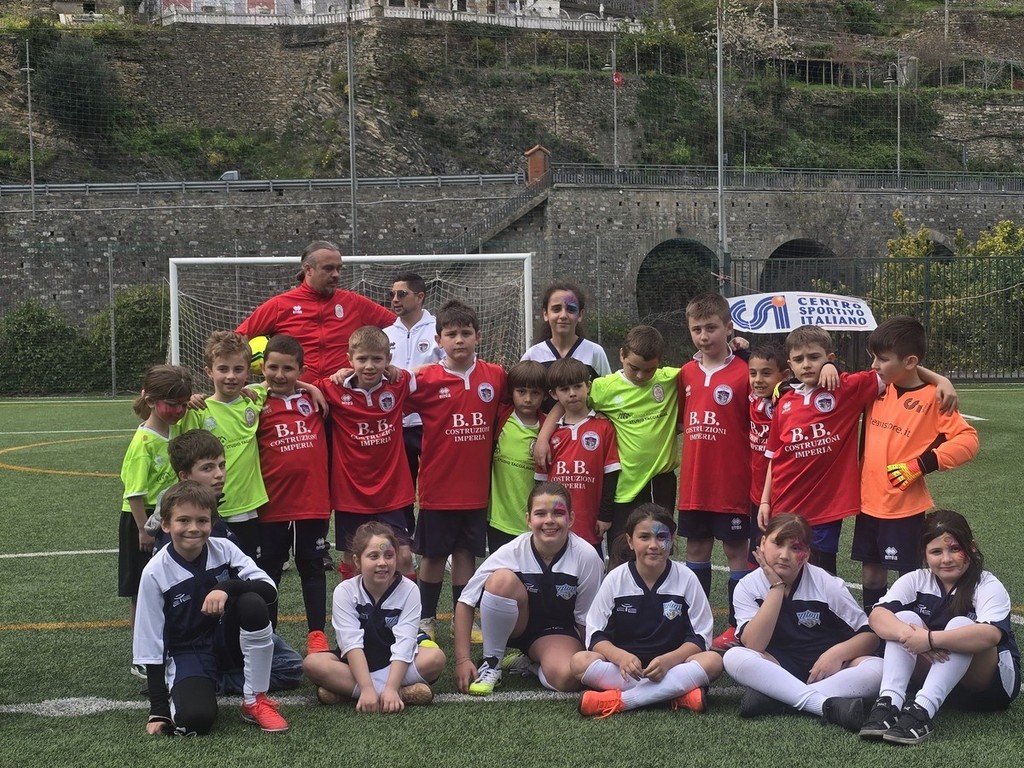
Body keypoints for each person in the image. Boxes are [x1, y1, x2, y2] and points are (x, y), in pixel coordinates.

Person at [760, 324, 957, 574]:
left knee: (822, 573)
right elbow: (774, 457)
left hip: (825, 509)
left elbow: (897, 367)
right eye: (799, 360)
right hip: (784, 501)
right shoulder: (784, 400)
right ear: (790, 365)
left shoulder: (847, 388)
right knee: (782, 569)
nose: (807, 365)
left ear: (830, 358)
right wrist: (765, 500)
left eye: (814, 357)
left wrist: (941, 379)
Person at [133, 481, 288, 735]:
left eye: (202, 521)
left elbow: (269, 590)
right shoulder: (154, 572)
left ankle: (255, 700)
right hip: (190, 650)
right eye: (183, 520)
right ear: (166, 524)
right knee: (195, 718)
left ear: (212, 523)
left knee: (255, 607)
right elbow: (150, 641)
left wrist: (226, 587)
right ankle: (208, 682)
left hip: (230, 641)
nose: (193, 528)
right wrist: (158, 709)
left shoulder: (225, 549)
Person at [162, 429, 305, 696]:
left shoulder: (217, 522)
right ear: (184, 477)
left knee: (292, 665)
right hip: (203, 631)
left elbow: (262, 585)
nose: (219, 474)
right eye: (208, 468)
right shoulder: (189, 533)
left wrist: (229, 589)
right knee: (289, 668)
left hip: (232, 621)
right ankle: (209, 678)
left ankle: (217, 677)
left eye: (222, 465)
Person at [861, 509, 1019, 745]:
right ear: (924, 555)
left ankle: (921, 712)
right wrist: (909, 635)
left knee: (961, 625)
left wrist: (930, 639)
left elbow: (991, 635)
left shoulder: (987, 584)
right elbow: (877, 616)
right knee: (903, 618)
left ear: (972, 547)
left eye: (955, 549)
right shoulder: (916, 579)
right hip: (937, 679)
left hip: (988, 689)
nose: (946, 559)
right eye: (936, 552)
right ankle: (889, 703)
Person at [855, 316, 979, 610]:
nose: (874, 365)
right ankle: (874, 627)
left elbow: (968, 441)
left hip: (903, 506)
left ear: (910, 361)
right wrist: (940, 377)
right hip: (867, 502)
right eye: (873, 357)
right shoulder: (877, 387)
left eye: (882, 359)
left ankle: (910, 624)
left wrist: (921, 465)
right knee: (871, 574)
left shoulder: (934, 398)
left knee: (908, 576)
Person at [405, 300, 508, 642]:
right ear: (438, 340)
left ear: (478, 336)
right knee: (433, 556)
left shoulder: (495, 376)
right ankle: (425, 619)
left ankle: (463, 620)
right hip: (438, 487)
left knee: (466, 554)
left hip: (476, 489)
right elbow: (388, 396)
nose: (459, 340)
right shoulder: (424, 379)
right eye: (451, 334)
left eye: (466, 333)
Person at [723, 513, 883, 731]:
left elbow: (870, 637)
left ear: (806, 554)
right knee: (734, 657)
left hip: (826, 672)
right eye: (778, 543)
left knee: (879, 668)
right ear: (762, 543)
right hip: (776, 668)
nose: (784, 555)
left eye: (795, 548)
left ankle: (777, 699)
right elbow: (754, 644)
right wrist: (776, 588)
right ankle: (825, 705)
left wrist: (837, 654)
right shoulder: (747, 586)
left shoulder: (826, 583)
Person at [537, 325, 680, 564]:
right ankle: (615, 588)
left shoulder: (669, 379)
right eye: (634, 368)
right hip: (625, 483)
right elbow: (565, 403)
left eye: (649, 370)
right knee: (621, 550)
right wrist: (543, 438)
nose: (641, 376)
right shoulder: (603, 387)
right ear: (622, 355)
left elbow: (704, 367)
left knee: (658, 546)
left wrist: (737, 348)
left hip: (661, 479)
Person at [571, 504, 723, 718]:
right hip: (625, 671)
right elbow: (595, 635)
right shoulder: (615, 579)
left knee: (713, 661)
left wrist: (669, 660)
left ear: (672, 539)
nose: (653, 545)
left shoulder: (687, 578)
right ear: (630, 541)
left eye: (661, 537)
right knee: (579, 662)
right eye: (644, 537)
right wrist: (620, 657)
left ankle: (622, 701)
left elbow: (700, 637)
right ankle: (675, 694)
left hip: (672, 667)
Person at [454, 482, 604, 696]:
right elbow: (466, 600)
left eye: (558, 513)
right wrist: (462, 659)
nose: (549, 520)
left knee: (569, 678)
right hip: (518, 627)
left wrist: (584, 658)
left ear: (571, 518)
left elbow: (586, 619)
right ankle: (492, 663)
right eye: (540, 513)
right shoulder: (513, 550)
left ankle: (531, 664)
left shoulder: (586, 556)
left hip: (558, 632)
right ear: (528, 519)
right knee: (501, 580)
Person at [675, 293, 754, 652]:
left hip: (732, 483)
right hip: (694, 485)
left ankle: (738, 625)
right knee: (695, 549)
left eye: (711, 328)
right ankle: (696, 625)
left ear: (728, 327)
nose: (704, 336)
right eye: (697, 329)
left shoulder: (746, 372)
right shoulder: (685, 373)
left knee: (737, 551)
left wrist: (748, 353)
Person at [303, 522, 446, 711]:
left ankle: (349, 692)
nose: (382, 563)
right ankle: (399, 694)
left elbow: (405, 643)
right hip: (354, 665)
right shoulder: (345, 591)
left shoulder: (409, 590)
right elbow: (351, 644)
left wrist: (391, 686)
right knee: (312, 663)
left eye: (389, 555)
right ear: (357, 561)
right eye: (373, 556)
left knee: (435, 658)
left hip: (395, 664)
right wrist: (366, 687)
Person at [251, 334, 332, 655]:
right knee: (268, 572)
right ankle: (267, 638)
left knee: (312, 568)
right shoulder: (252, 401)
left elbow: (346, 378)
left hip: (313, 504)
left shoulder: (315, 398)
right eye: (273, 367)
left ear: (301, 370)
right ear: (262, 367)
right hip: (271, 506)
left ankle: (317, 635)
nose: (280, 374)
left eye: (288, 368)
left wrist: (310, 387)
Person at [319, 326, 416, 582]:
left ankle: (407, 606)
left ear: (388, 359)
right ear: (349, 360)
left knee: (403, 556)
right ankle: (351, 607)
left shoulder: (398, 383)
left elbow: (430, 373)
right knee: (353, 559)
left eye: (377, 359)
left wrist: (397, 370)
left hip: (392, 491)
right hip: (351, 493)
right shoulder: (333, 388)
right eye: (362, 359)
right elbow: (300, 387)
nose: (369, 366)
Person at [119, 364, 193, 678]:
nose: (178, 410)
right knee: (142, 588)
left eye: (183, 404)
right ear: (150, 400)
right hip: (143, 520)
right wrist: (143, 529)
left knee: (167, 582)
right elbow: (134, 492)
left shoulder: (175, 428)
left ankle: (167, 645)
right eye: (172, 404)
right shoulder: (143, 443)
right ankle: (141, 655)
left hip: (167, 517)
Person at [236, 240, 395, 380]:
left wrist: (389, 362)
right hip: (296, 395)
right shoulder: (280, 305)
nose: (336, 275)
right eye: (328, 268)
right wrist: (240, 380)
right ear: (308, 270)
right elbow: (236, 340)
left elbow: (399, 326)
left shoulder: (354, 302)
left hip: (343, 395)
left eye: (339, 269)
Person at [179, 331, 267, 558]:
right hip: (210, 506)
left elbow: (279, 378)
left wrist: (312, 388)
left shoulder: (253, 399)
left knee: (248, 567)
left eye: (238, 369)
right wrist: (189, 399)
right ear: (209, 371)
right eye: (223, 369)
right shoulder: (198, 410)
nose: (231, 376)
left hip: (248, 506)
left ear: (248, 371)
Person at [535, 357, 619, 557]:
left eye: (577, 386)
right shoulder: (549, 434)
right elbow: (540, 483)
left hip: (590, 524)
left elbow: (611, 475)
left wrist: (605, 515)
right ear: (553, 394)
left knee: (591, 570)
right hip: (555, 525)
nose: (572, 393)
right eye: (564, 389)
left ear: (588, 386)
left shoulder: (604, 427)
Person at [384, 272, 444, 533]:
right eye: (392, 294)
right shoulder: (385, 334)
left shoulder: (439, 330)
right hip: (396, 422)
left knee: (435, 483)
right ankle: (404, 537)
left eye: (401, 294)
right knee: (402, 485)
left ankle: (436, 537)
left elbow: (451, 367)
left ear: (420, 297)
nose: (395, 299)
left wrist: (413, 374)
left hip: (431, 422)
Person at [521, 281, 611, 412]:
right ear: (546, 314)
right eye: (556, 309)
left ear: (580, 315)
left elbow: (608, 395)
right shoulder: (532, 355)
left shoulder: (595, 352)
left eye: (571, 309)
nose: (563, 315)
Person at [488, 360, 548, 552]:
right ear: (511, 392)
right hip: (498, 520)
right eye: (521, 391)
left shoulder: (548, 428)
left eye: (535, 393)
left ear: (545, 395)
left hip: (533, 522)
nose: (528, 399)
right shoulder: (500, 417)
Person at [746, 341, 789, 558]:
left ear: (784, 375)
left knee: (781, 549)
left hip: (781, 492)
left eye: (766, 373)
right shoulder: (752, 398)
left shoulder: (787, 400)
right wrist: (740, 348)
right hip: (757, 491)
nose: (758, 380)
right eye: (753, 373)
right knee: (758, 551)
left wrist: (830, 367)